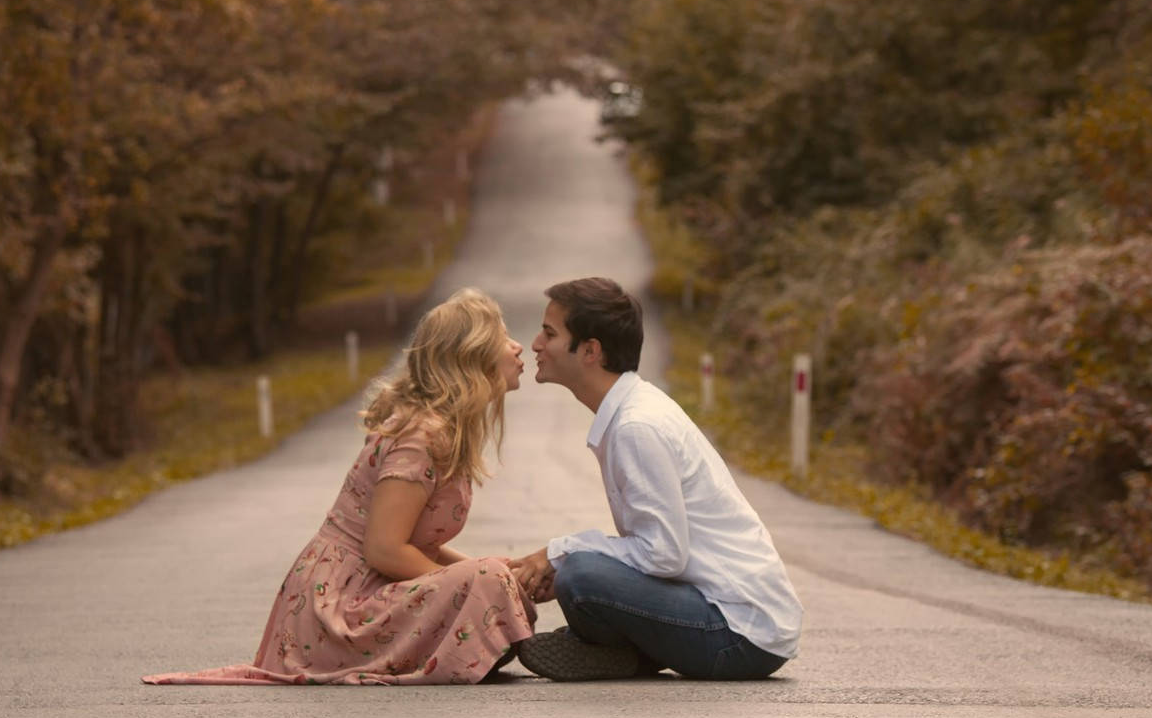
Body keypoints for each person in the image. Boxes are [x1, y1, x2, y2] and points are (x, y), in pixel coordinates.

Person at [143, 288, 536, 686]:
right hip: (337, 610)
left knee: (494, 574)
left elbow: (417, 547)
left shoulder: (441, 430)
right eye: (502, 337)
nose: (517, 346)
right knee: (487, 580)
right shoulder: (422, 436)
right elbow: (384, 550)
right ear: (471, 357)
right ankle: (504, 646)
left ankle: (499, 644)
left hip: (364, 593)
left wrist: (473, 573)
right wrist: (465, 585)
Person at [509, 277, 802, 681]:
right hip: (728, 619)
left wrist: (558, 554)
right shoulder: (632, 411)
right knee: (578, 574)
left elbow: (662, 554)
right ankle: (619, 654)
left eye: (549, 333)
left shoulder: (636, 426)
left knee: (580, 574)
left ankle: (617, 652)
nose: (536, 344)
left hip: (739, 635)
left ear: (590, 350)